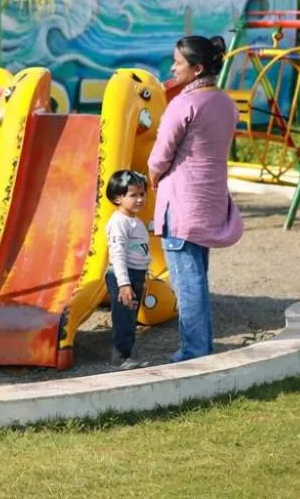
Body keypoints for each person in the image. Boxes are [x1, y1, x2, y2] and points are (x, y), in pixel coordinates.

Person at [146, 34, 244, 363]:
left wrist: (153, 177)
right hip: (210, 200)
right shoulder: (226, 103)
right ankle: (203, 346)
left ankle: (195, 352)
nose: (173, 67)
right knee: (197, 278)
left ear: (197, 68)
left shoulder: (184, 104)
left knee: (187, 283)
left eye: (178, 62)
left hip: (182, 204)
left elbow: (160, 157)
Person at [103, 169, 151, 368]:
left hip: (135, 275)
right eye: (133, 195)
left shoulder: (134, 221)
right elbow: (118, 254)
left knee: (130, 316)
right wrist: (124, 284)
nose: (139, 199)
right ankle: (119, 357)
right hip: (124, 276)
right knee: (124, 317)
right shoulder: (118, 223)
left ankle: (128, 352)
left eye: (142, 194)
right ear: (118, 198)